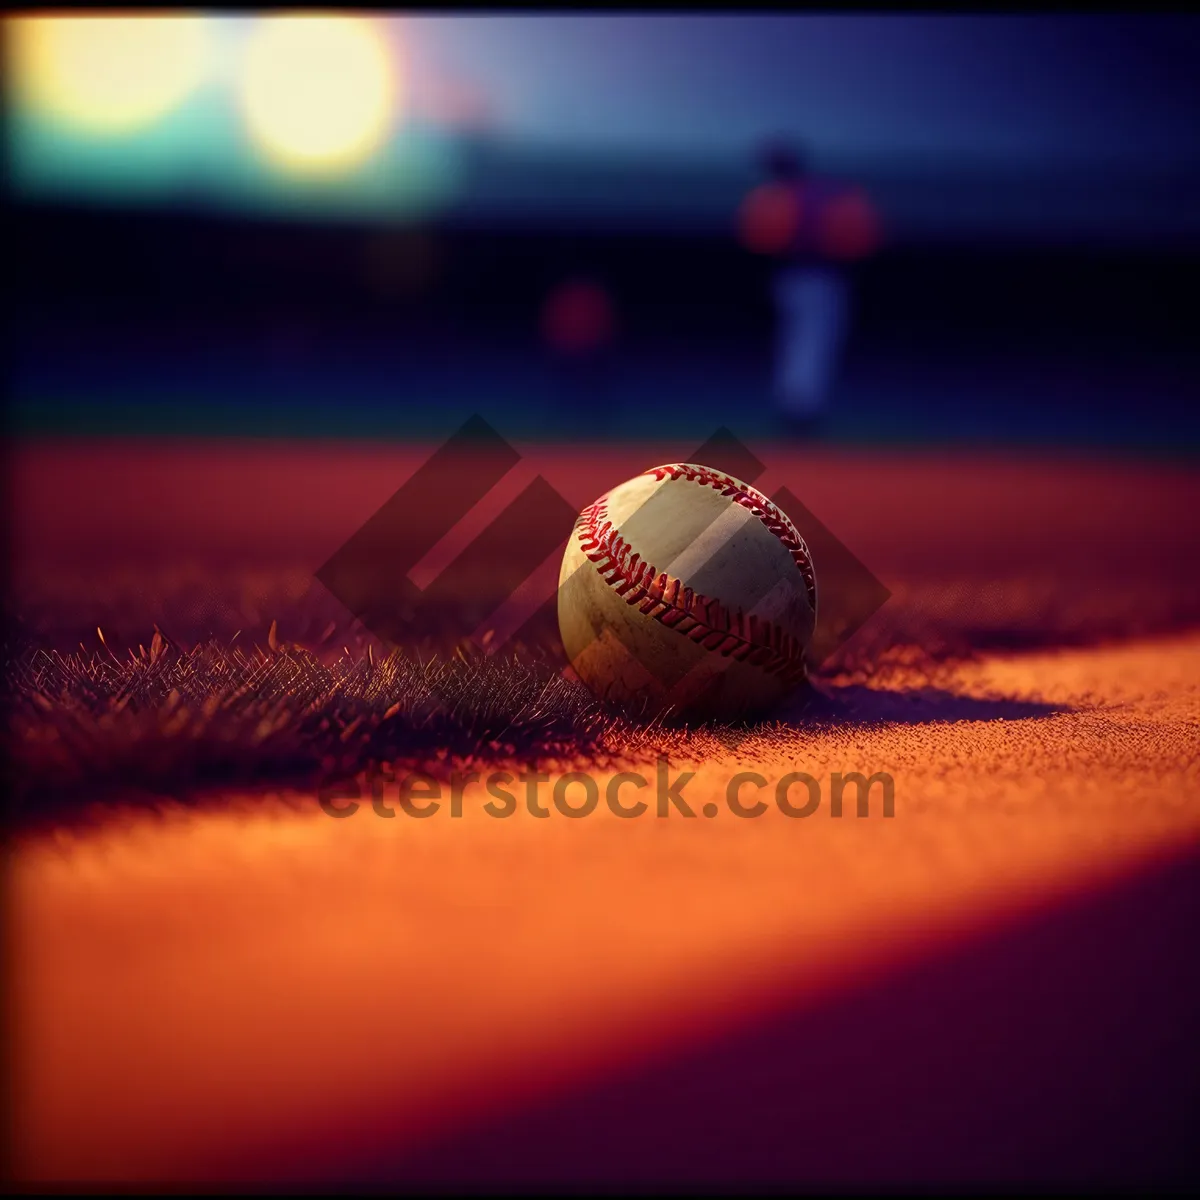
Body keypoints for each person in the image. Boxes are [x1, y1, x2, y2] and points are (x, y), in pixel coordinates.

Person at [738, 140, 881, 432]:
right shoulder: (826, 194)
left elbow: (759, 239)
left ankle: (797, 406)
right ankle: (801, 409)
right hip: (818, 276)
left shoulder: (776, 197)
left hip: (799, 275)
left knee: (800, 341)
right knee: (812, 341)